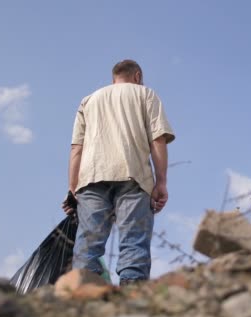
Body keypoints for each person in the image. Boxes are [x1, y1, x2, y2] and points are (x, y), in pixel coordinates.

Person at [62, 60, 175, 286]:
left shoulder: (89, 100)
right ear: (137, 75)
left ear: (114, 78)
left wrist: (73, 188)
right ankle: (131, 296)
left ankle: (83, 297)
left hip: (91, 177)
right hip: (133, 175)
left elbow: (76, 148)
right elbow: (157, 139)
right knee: (133, 241)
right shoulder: (145, 94)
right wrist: (161, 182)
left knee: (88, 244)